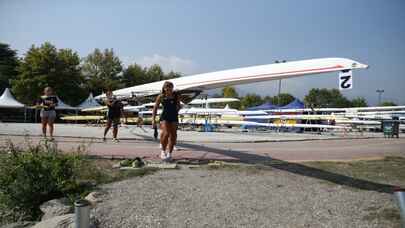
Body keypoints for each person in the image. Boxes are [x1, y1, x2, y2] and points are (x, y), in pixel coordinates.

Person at [152, 81, 183, 161]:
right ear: (164, 88)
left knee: (173, 135)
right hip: (164, 117)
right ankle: (163, 151)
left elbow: (179, 106)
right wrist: (153, 120)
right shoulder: (161, 96)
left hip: (174, 117)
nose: (168, 89)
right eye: (167, 87)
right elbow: (155, 108)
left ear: (172, 88)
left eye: (170, 87)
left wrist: (178, 108)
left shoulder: (176, 96)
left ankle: (169, 154)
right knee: (165, 133)